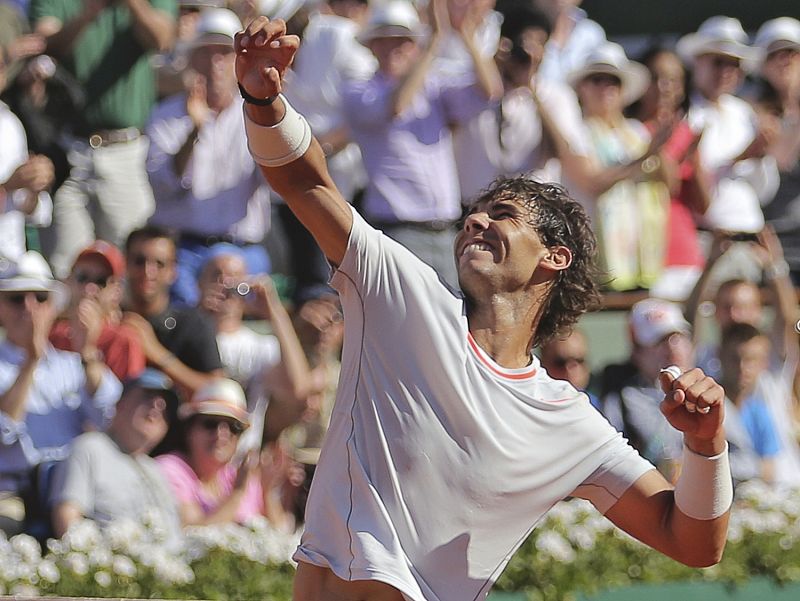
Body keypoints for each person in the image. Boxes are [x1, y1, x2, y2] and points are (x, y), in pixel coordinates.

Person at [235, 17, 732, 601]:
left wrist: (705, 447)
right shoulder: (404, 294)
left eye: (503, 215)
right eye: (475, 212)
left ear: (555, 257)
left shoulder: (566, 421)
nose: (476, 219)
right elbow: (306, 183)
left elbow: (696, 543)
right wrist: (264, 100)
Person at [342, 0, 502, 287]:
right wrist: (435, 43)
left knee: (451, 322)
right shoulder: (359, 91)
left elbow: (490, 91)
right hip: (397, 231)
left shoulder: (433, 86)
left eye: (402, 41)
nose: (394, 49)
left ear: (413, 46)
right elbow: (396, 106)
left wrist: (464, 33)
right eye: (386, 41)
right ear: (372, 46)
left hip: (445, 231)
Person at [30, 0, 178, 278]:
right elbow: (45, 43)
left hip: (125, 149)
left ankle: (122, 324)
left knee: (131, 265)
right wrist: (90, 11)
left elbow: (163, 38)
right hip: (69, 147)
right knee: (67, 267)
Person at [146, 7, 272, 308]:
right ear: (191, 59)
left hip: (244, 251)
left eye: (224, 53)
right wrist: (195, 130)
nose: (215, 63)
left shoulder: (256, 114)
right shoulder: (166, 116)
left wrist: (265, 114)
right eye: (206, 53)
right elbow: (164, 185)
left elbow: (278, 184)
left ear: (237, 62)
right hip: (186, 251)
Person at [0, 251, 120, 535]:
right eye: (17, 299)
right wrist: (31, 361)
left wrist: (88, 352)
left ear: (54, 307)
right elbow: (2, 432)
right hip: (12, 490)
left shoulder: (73, 364)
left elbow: (110, 419)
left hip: (75, 490)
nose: (29, 308)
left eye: (40, 298)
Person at [569, 42, 672, 291]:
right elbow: (593, 183)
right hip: (598, 258)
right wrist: (644, 156)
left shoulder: (636, 131)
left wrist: (663, 144)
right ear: (582, 87)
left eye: (613, 81)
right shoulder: (577, 132)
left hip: (643, 257)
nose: (606, 88)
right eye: (597, 79)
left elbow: (670, 182)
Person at [50, 368, 183, 549]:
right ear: (119, 404)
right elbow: (67, 519)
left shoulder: (157, 469)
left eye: (166, 405)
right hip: (112, 569)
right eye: (148, 396)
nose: (157, 407)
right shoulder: (90, 448)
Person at [676, 16, 778, 240]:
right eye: (718, 62)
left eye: (734, 64)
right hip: (710, 235)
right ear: (698, 62)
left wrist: (761, 156)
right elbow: (692, 186)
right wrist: (742, 157)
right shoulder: (685, 114)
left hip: (750, 229)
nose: (726, 72)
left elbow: (763, 190)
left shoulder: (743, 113)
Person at [196, 245, 312, 441]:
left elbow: (299, 387)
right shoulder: (186, 332)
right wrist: (197, 316)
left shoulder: (259, 345)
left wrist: (274, 310)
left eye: (234, 277)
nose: (225, 283)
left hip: (241, 460)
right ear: (200, 283)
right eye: (216, 274)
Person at [156, 378, 293, 529]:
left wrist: (268, 491)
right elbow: (193, 534)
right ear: (189, 430)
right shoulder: (170, 469)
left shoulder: (237, 476)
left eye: (234, 427)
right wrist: (237, 494)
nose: (222, 433)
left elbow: (280, 534)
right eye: (211, 423)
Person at [631, 47, 710, 301]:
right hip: (642, 254)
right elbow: (670, 185)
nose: (665, 87)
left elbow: (703, 204)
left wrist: (694, 159)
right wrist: (661, 145)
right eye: (656, 78)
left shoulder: (687, 132)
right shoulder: (629, 130)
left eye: (674, 80)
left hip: (683, 250)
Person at [599, 298, 696, 482]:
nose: (672, 349)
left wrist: (699, 467)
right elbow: (610, 462)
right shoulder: (619, 398)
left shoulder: (706, 391)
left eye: (677, 338)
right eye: (658, 342)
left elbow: (746, 461)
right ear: (636, 352)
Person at [121, 225, 223, 397]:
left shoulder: (192, 323)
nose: (148, 272)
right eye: (139, 261)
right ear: (125, 265)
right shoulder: (112, 318)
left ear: (173, 271)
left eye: (159, 264)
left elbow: (218, 390)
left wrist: (158, 355)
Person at [49, 240, 147, 381]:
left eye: (101, 281)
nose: (89, 289)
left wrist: (88, 350)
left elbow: (131, 399)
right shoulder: (51, 332)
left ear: (117, 292)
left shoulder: (124, 340)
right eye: (82, 277)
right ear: (68, 281)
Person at [752, 17, 800, 284]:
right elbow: (779, 162)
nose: (785, 61)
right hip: (774, 245)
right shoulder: (752, 112)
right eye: (775, 55)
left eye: (792, 52)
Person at [0, 43, 54, 261]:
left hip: (10, 262)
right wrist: (8, 185)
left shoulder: (10, 124)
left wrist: (35, 187)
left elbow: (34, 212)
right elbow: (11, 187)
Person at [717, 323, 783, 485]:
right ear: (720, 355)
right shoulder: (704, 404)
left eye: (750, 360)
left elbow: (769, 470)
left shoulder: (759, 411)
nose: (742, 367)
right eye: (735, 358)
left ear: (764, 363)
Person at [539, 327, 599, 409]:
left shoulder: (602, 408)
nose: (570, 369)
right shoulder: (532, 407)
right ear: (542, 364)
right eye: (560, 362)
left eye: (579, 360)